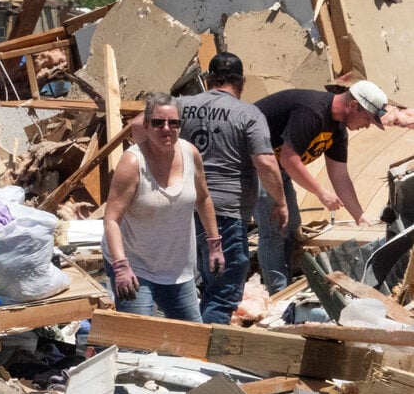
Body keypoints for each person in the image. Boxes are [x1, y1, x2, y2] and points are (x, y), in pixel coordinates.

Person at [179, 52, 288, 324]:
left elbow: (139, 126)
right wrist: (281, 201)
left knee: (194, 285)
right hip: (226, 213)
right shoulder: (248, 113)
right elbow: (265, 161)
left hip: (183, 209)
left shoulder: (180, 107)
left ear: (208, 78)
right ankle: (207, 357)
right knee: (223, 290)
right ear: (241, 82)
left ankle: (187, 345)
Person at [253, 79, 387, 293]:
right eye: (368, 118)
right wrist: (321, 192)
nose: (366, 125)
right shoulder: (313, 111)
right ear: (353, 106)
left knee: (292, 224)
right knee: (275, 229)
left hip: (276, 169)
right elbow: (289, 158)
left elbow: (340, 175)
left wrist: (360, 217)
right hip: (252, 164)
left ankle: (282, 286)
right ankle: (277, 293)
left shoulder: (338, 130)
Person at [101, 92, 225, 322]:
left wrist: (214, 244)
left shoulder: (190, 154)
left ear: (180, 125)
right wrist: (120, 267)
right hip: (135, 264)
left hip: (177, 267)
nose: (166, 128)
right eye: (158, 123)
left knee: (192, 339)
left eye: (173, 123)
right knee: (138, 344)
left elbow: (203, 198)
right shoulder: (132, 163)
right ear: (146, 125)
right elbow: (111, 219)